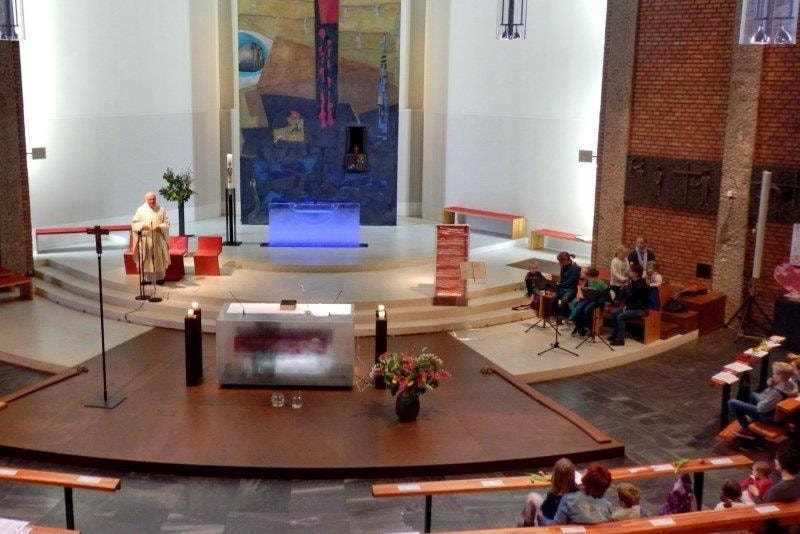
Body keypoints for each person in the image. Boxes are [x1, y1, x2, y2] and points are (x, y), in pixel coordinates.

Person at [728, 362, 798, 439]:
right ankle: (753, 419)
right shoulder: (792, 384)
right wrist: (771, 387)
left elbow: (761, 408)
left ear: (780, 376)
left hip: (771, 418)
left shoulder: (776, 392)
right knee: (753, 395)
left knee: (732, 402)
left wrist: (770, 388)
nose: (772, 375)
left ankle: (746, 430)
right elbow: (772, 398)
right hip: (783, 416)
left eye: (774, 373)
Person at [540, 464, 614, 525]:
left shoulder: (569, 499)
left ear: (587, 478)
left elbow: (556, 526)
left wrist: (542, 518)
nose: (585, 471)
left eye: (587, 471)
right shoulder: (608, 506)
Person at [520, 458, 578, 526]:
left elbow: (545, 511)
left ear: (555, 476)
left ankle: (527, 527)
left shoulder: (553, 495)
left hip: (552, 526)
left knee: (532, 497)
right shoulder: (577, 491)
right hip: (570, 524)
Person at [131, 192, 171, 285]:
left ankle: (160, 278)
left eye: (153, 199)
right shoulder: (140, 210)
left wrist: (160, 227)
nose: (152, 201)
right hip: (146, 239)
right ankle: (146, 279)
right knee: (146, 258)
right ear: (146, 200)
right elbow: (134, 223)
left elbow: (167, 222)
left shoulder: (161, 209)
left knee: (159, 257)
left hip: (158, 238)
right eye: (150, 199)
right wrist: (143, 226)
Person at [608, 264, 649, 346]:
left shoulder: (643, 285)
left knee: (620, 316)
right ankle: (615, 335)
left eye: (630, 271)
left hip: (641, 309)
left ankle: (620, 340)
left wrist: (628, 307)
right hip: (630, 306)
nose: (628, 272)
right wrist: (624, 288)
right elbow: (626, 297)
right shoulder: (632, 282)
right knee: (614, 313)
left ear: (636, 273)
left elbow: (640, 302)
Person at [570, 267, 610, 337]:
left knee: (587, 309)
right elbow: (585, 289)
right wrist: (582, 293)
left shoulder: (600, 283)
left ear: (595, 277)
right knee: (579, 308)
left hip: (597, 300)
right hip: (589, 299)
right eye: (588, 277)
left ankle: (589, 327)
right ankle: (579, 327)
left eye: (590, 278)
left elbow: (607, 292)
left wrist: (598, 294)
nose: (589, 279)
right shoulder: (589, 281)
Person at [550, 252, 581, 322]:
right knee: (554, 298)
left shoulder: (576, 268)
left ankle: (566, 317)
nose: (560, 264)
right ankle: (553, 315)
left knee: (564, 300)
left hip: (571, 289)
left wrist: (559, 285)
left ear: (566, 260)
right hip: (563, 287)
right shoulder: (563, 266)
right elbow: (561, 279)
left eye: (561, 262)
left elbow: (570, 282)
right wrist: (556, 287)